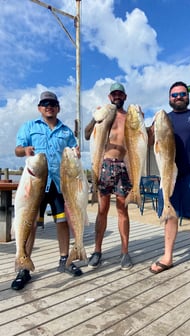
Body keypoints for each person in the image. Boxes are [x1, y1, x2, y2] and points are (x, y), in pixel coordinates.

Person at [11, 91, 83, 290]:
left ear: (58, 107)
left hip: (60, 185)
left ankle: (64, 260)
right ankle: (23, 267)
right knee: (30, 223)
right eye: (44, 103)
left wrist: (76, 153)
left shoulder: (66, 131)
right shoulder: (29, 127)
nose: (48, 106)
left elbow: (75, 150)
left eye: (52, 103)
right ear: (39, 107)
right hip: (35, 186)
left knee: (62, 222)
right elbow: (17, 149)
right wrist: (24, 151)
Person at [148, 81, 190, 284]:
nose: (178, 97)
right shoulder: (163, 119)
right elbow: (149, 142)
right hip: (169, 175)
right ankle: (168, 256)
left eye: (182, 93)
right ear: (169, 98)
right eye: (174, 95)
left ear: (188, 96)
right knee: (170, 216)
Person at [84, 82, 133, 270]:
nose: (117, 97)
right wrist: (94, 119)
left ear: (125, 97)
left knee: (123, 210)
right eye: (114, 94)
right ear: (109, 97)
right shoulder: (104, 114)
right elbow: (88, 135)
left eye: (120, 94)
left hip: (124, 166)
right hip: (104, 163)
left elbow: (143, 139)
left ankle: (125, 251)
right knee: (102, 210)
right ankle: (97, 250)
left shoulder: (130, 117)